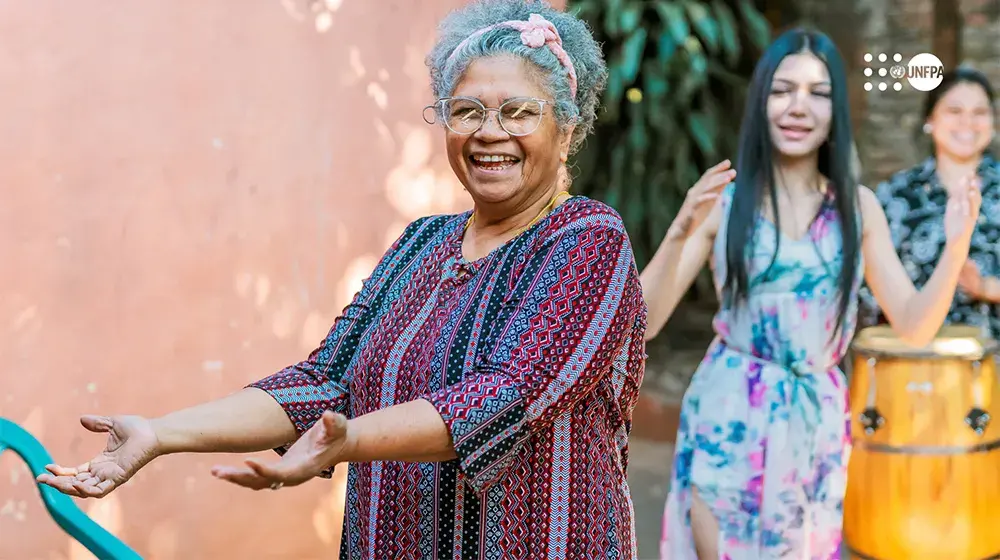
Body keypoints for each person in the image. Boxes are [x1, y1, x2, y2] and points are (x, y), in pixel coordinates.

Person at [37, 2, 648, 558]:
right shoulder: (422, 242)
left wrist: (347, 441)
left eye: (518, 112)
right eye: (466, 111)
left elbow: (504, 398)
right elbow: (325, 381)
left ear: (566, 129)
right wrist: (161, 433)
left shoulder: (587, 238)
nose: (489, 132)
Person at [642, 29, 982, 559]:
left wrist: (957, 243)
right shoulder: (724, 204)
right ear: (760, 102)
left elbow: (915, 325)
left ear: (834, 112)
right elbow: (644, 321)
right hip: (729, 412)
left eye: (818, 93)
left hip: (815, 425)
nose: (798, 107)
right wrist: (681, 228)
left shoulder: (858, 208)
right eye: (782, 90)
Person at [860, 67, 999, 339]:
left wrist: (985, 287)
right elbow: (867, 287)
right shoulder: (896, 196)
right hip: (912, 367)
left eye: (979, 113)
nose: (967, 122)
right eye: (954, 111)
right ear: (930, 120)